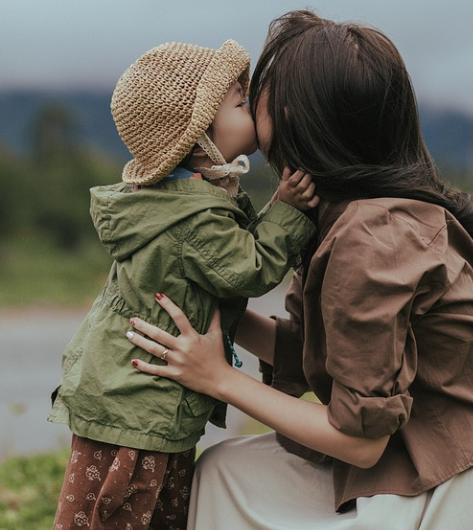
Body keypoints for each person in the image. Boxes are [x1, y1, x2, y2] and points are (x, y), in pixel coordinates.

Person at [126, 10, 473, 530]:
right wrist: (217, 311)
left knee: (234, 473)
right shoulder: (348, 214)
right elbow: (325, 352)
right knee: (224, 473)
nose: (246, 104)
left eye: (253, 96)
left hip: (460, 481)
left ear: (291, 116)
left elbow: (360, 439)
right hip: (420, 451)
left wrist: (218, 378)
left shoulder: (371, 235)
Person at [48, 38, 319, 530]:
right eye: (240, 103)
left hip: (135, 398)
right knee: (129, 512)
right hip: (139, 410)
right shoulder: (191, 215)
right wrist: (289, 212)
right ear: (199, 140)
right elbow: (248, 268)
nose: (250, 106)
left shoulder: (183, 198)